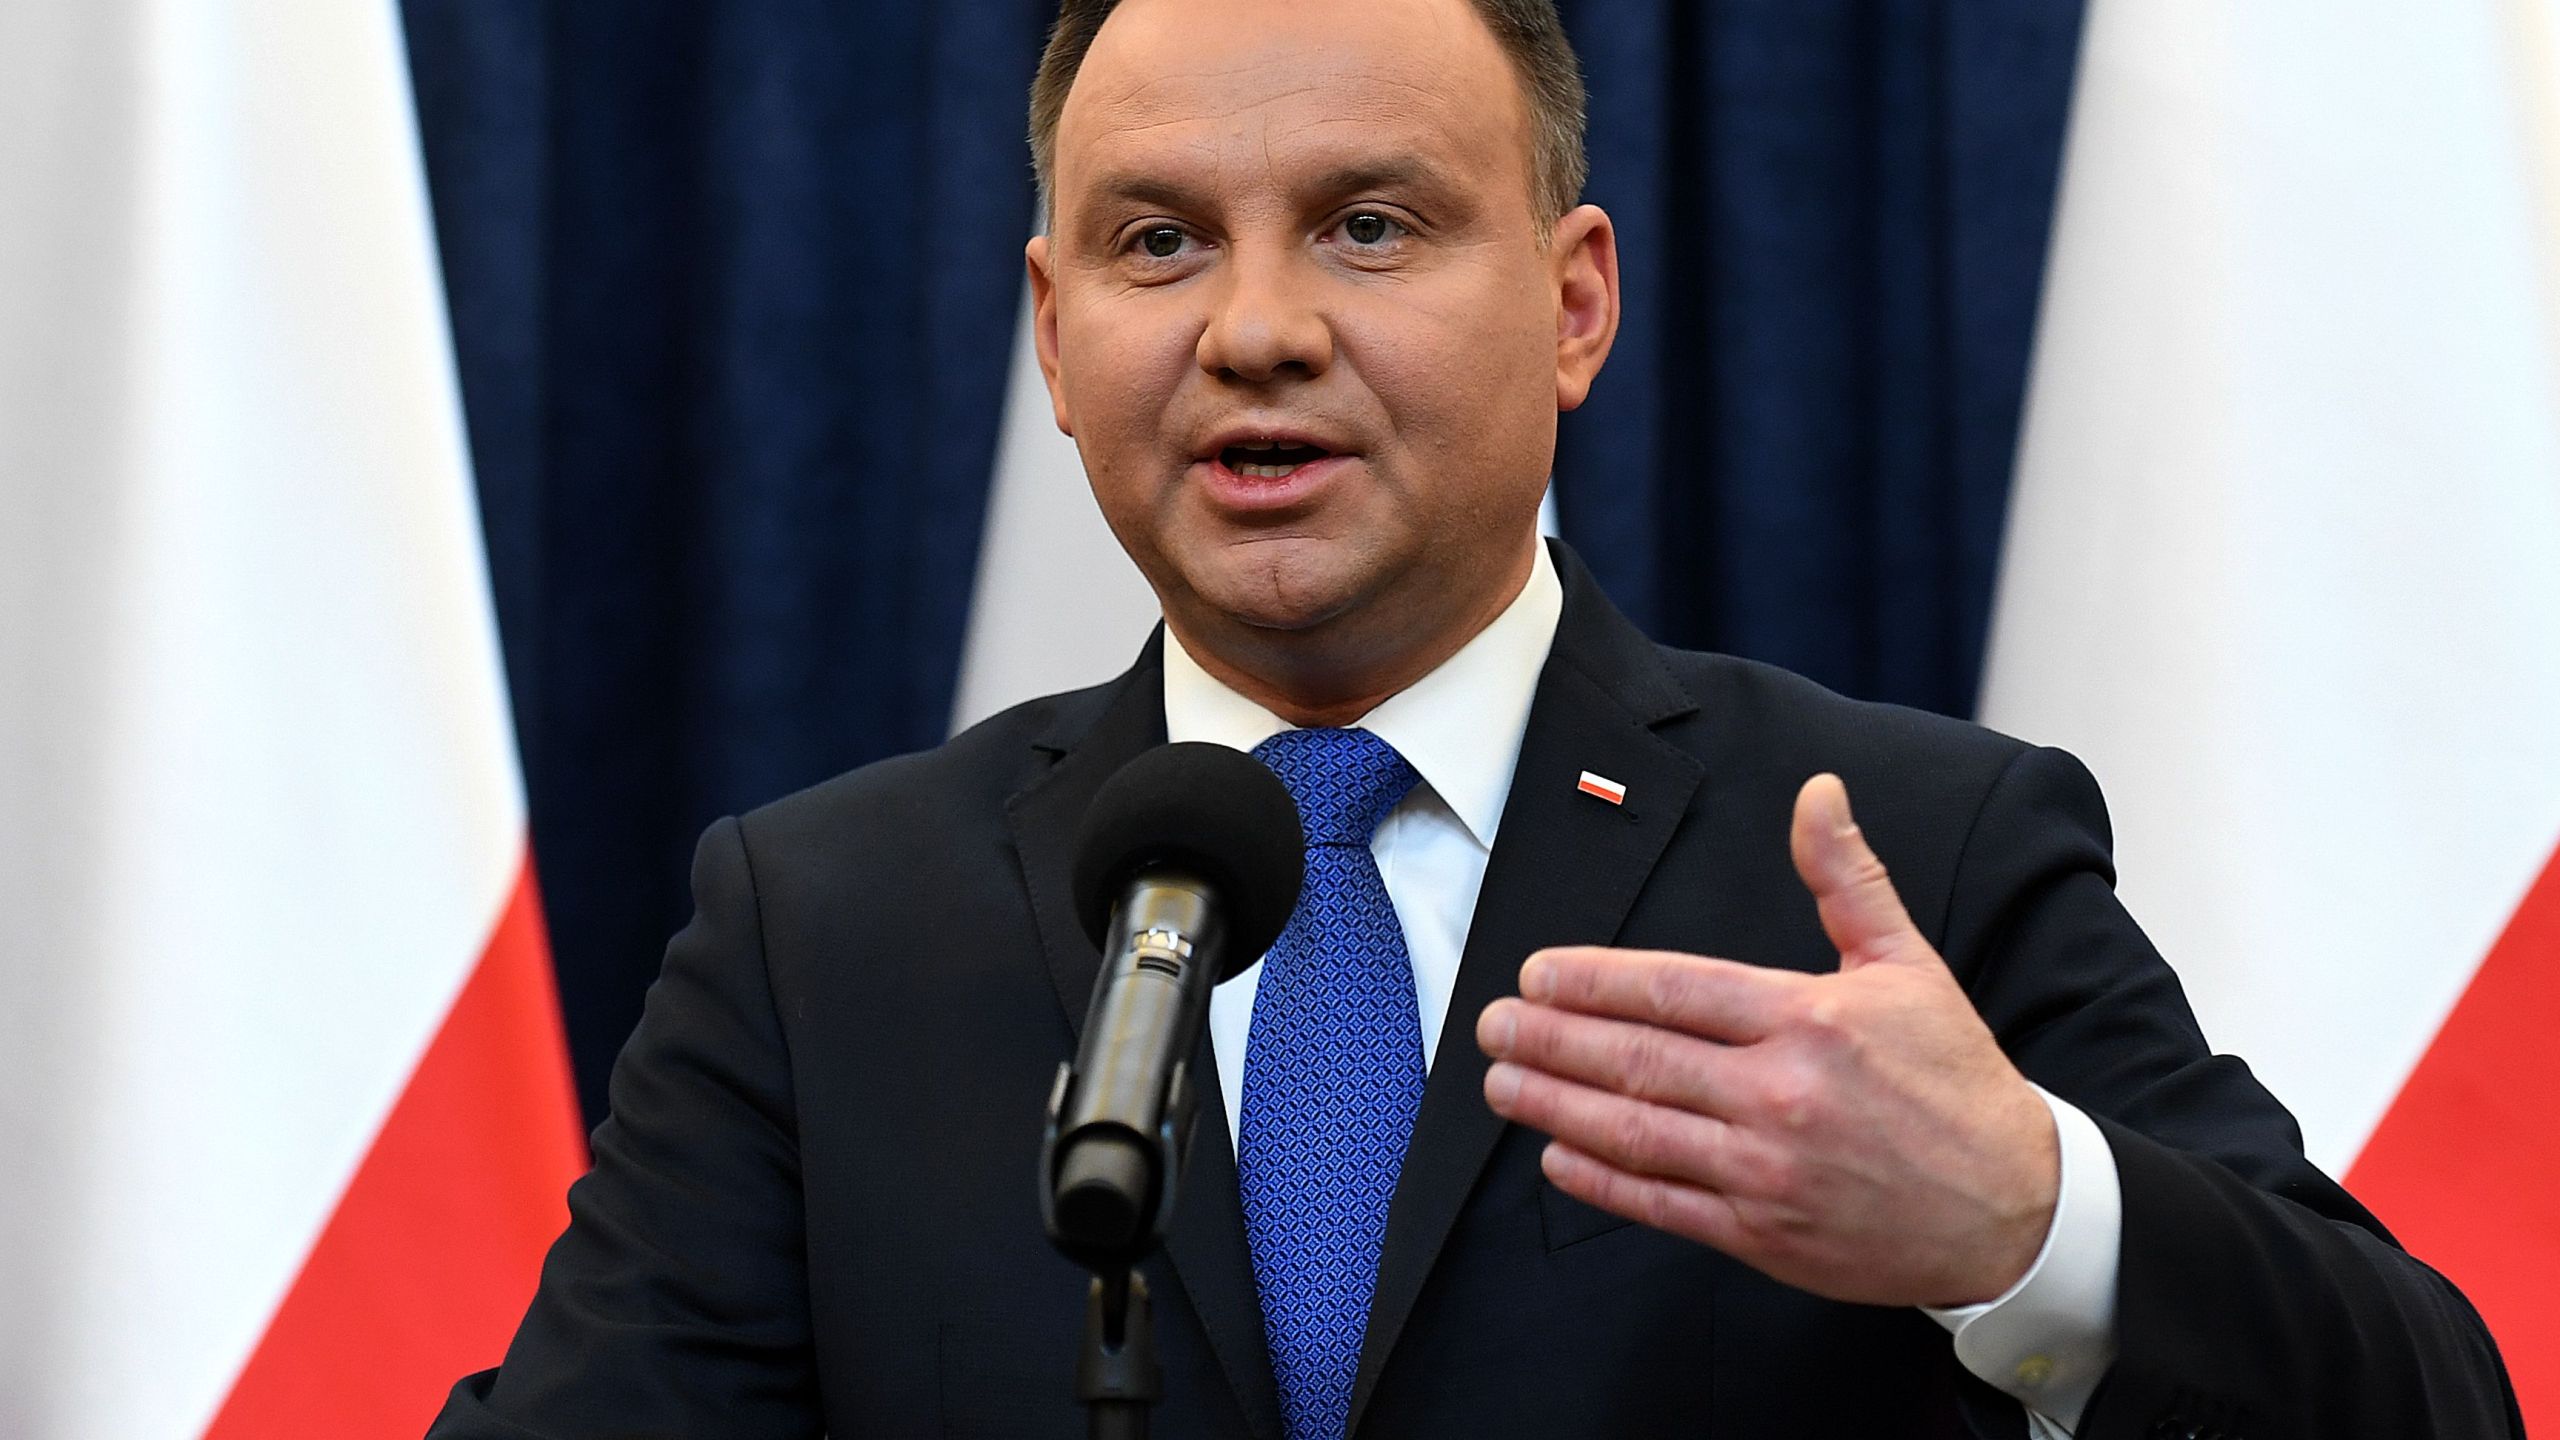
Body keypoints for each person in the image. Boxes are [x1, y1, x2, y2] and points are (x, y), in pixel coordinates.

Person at [429, 0, 2521, 1436]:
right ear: (1055, 337)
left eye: (1367, 224)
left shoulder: (1902, 852)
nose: (1255, 329)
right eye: (1160, 243)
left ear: (1574, 302)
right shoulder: (825, 924)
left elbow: (2427, 1398)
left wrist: (2022, 1223)